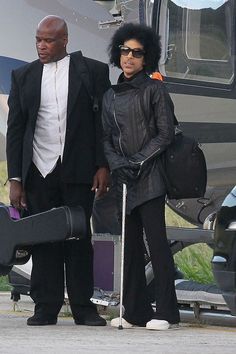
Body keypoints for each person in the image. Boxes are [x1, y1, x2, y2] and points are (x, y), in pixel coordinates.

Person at [6, 15, 110, 326]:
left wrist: (102, 164)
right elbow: (15, 130)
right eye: (38, 39)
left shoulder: (92, 71)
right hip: (39, 170)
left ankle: (83, 307)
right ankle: (45, 307)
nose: (41, 45)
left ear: (64, 40)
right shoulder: (23, 76)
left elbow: (102, 123)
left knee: (78, 238)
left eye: (48, 40)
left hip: (78, 169)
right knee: (43, 239)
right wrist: (16, 179)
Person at [102, 23, 180, 330]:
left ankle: (167, 313)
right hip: (124, 179)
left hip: (150, 179)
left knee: (157, 245)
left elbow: (166, 134)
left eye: (136, 52)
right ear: (117, 53)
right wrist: (116, 163)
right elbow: (106, 137)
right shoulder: (109, 95)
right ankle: (135, 311)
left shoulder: (155, 89)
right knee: (130, 246)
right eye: (124, 51)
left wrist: (136, 161)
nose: (129, 58)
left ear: (146, 58)